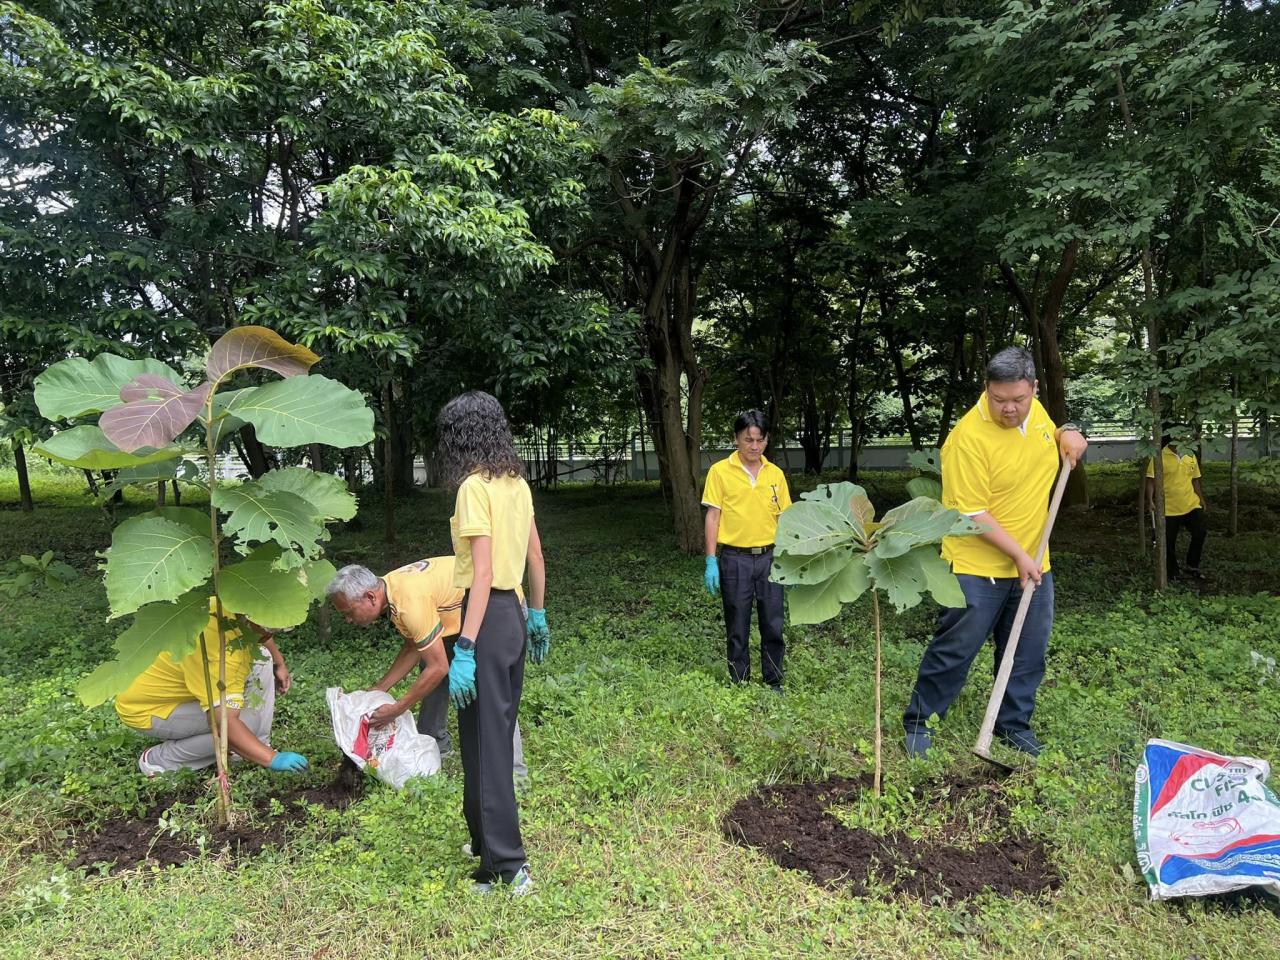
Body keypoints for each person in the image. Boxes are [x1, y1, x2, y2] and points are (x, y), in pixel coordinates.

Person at [902, 347, 1087, 758]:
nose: (1009, 409)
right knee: (955, 649)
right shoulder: (967, 439)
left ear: (1034, 389)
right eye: (999, 399)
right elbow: (972, 513)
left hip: (1035, 561)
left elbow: (1053, 433)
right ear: (986, 390)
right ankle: (921, 723)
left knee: (1027, 650)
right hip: (976, 565)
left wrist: (1067, 432)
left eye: (1018, 399)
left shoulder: (1035, 413)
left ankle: (1012, 725)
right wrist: (1019, 557)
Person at [437, 390, 548, 896]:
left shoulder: (471, 489)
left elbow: (481, 574)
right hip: (514, 617)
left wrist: (464, 647)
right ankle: (487, 851)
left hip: (483, 619)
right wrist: (539, 615)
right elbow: (536, 560)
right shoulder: (516, 484)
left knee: (487, 747)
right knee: (489, 740)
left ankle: (509, 865)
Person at [325, 557, 528, 777]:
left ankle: (515, 773)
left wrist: (397, 709)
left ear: (370, 596)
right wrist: (380, 688)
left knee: (492, 691)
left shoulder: (408, 601)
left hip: (498, 606)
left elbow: (438, 667)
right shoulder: (391, 590)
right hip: (459, 617)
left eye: (348, 612)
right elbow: (414, 646)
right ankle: (435, 745)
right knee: (430, 670)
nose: (348, 619)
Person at [116, 600, 307, 776]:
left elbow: (261, 633)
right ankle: (162, 759)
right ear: (252, 620)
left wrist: (278, 662)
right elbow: (223, 722)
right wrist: (272, 759)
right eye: (268, 630)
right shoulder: (219, 653)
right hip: (148, 707)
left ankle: (253, 747)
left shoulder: (230, 605)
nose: (269, 635)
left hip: (179, 688)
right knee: (245, 724)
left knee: (262, 658)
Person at [701, 409, 793, 693]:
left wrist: (791, 559)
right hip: (735, 559)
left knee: (773, 622)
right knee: (737, 623)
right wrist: (711, 560)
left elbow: (785, 519)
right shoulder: (719, 472)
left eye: (760, 440)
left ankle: (773, 680)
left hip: (770, 557)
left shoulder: (775, 474)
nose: (754, 446)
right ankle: (739, 681)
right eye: (748, 439)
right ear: (737, 439)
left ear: (766, 440)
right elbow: (713, 517)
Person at [1146, 435, 1209, 581]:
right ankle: (1173, 572)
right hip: (1169, 507)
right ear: (1172, 438)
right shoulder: (1159, 456)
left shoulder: (1190, 454)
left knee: (1200, 532)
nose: (1185, 438)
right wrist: (1150, 501)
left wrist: (1201, 499)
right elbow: (1151, 481)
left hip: (1190, 503)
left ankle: (1192, 565)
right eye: (1181, 435)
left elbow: (1195, 479)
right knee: (1168, 542)